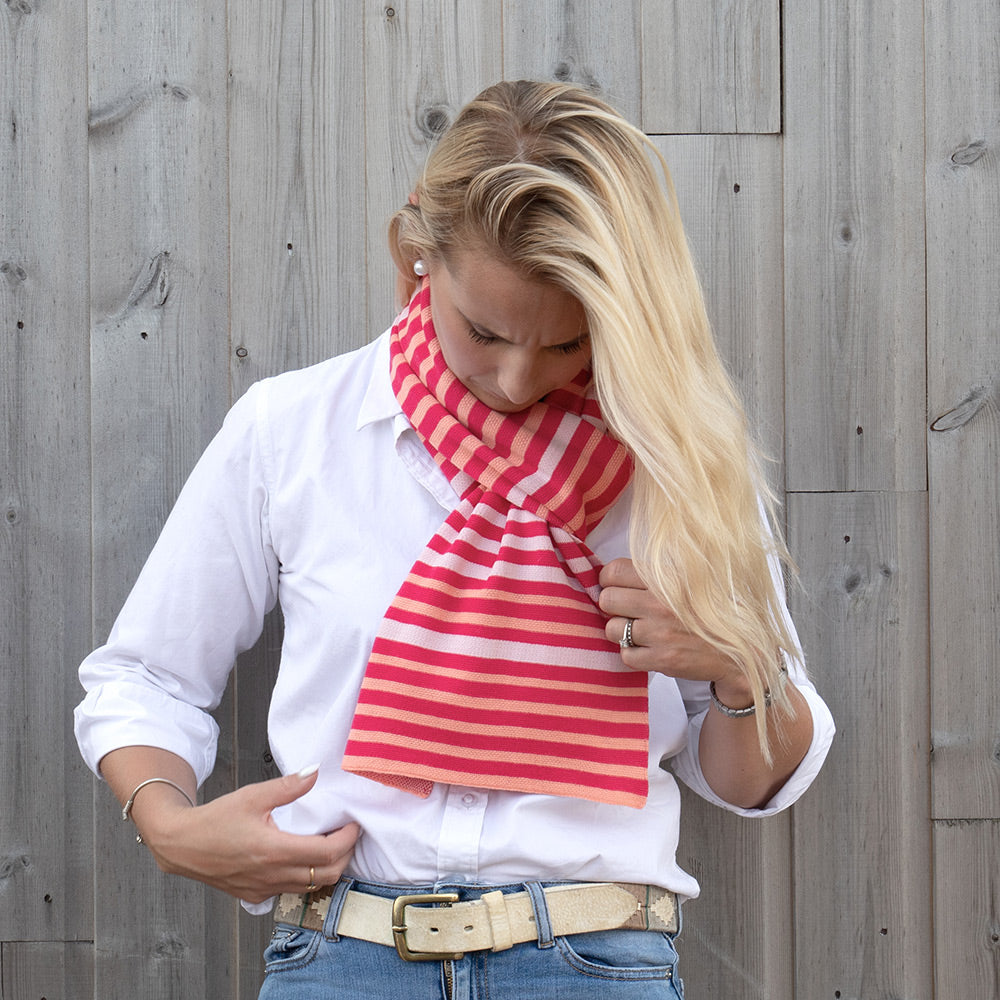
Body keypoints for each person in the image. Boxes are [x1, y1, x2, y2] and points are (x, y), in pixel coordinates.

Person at [75, 80, 834, 999]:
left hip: (593, 962)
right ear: (415, 260)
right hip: (342, 957)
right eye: (485, 332)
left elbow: (748, 783)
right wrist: (168, 826)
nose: (517, 381)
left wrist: (740, 666)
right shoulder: (293, 432)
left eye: (568, 345)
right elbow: (146, 677)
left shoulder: (683, 464)